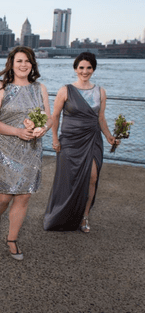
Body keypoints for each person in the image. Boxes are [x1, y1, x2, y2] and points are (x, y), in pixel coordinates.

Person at [0, 46, 52, 261]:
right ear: (11, 64)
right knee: (4, 196)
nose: (24, 65)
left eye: (28, 61)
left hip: (32, 150)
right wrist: (18, 132)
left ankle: (12, 239)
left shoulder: (39, 88)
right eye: (19, 61)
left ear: (33, 65)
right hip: (6, 148)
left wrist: (43, 128)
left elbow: (48, 117)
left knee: (24, 196)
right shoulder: (0, 88)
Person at [43, 52, 118, 232]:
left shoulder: (100, 91)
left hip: (92, 139)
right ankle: (63, 214)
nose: (85, 71)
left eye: (89, 67)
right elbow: (55, 116)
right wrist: (54, 138)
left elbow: (101, 118)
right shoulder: (65, 90)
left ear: (93, 69)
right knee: (68, 180)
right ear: (75, 69)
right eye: (81, 67)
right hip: (69, 140)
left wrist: (108, 136)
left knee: (92, 177)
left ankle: (84, 216)